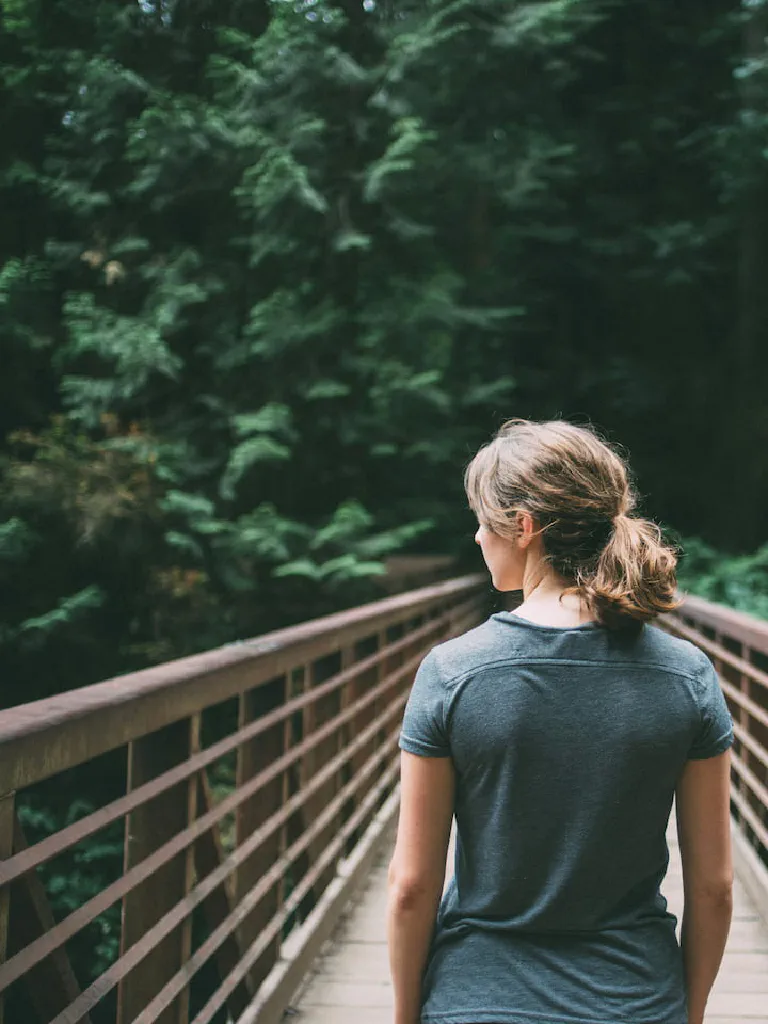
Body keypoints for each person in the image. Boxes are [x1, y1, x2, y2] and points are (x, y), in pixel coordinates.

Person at [387, 418, 734, 1024]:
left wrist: (402, 1015)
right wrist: (689, 1011)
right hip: (636, 1000)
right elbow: (715, 888)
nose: (475, 537)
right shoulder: (687, 676)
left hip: (479, 1001)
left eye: (482, 520)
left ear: (522, 527)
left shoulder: (452, 673)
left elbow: (412, 885)